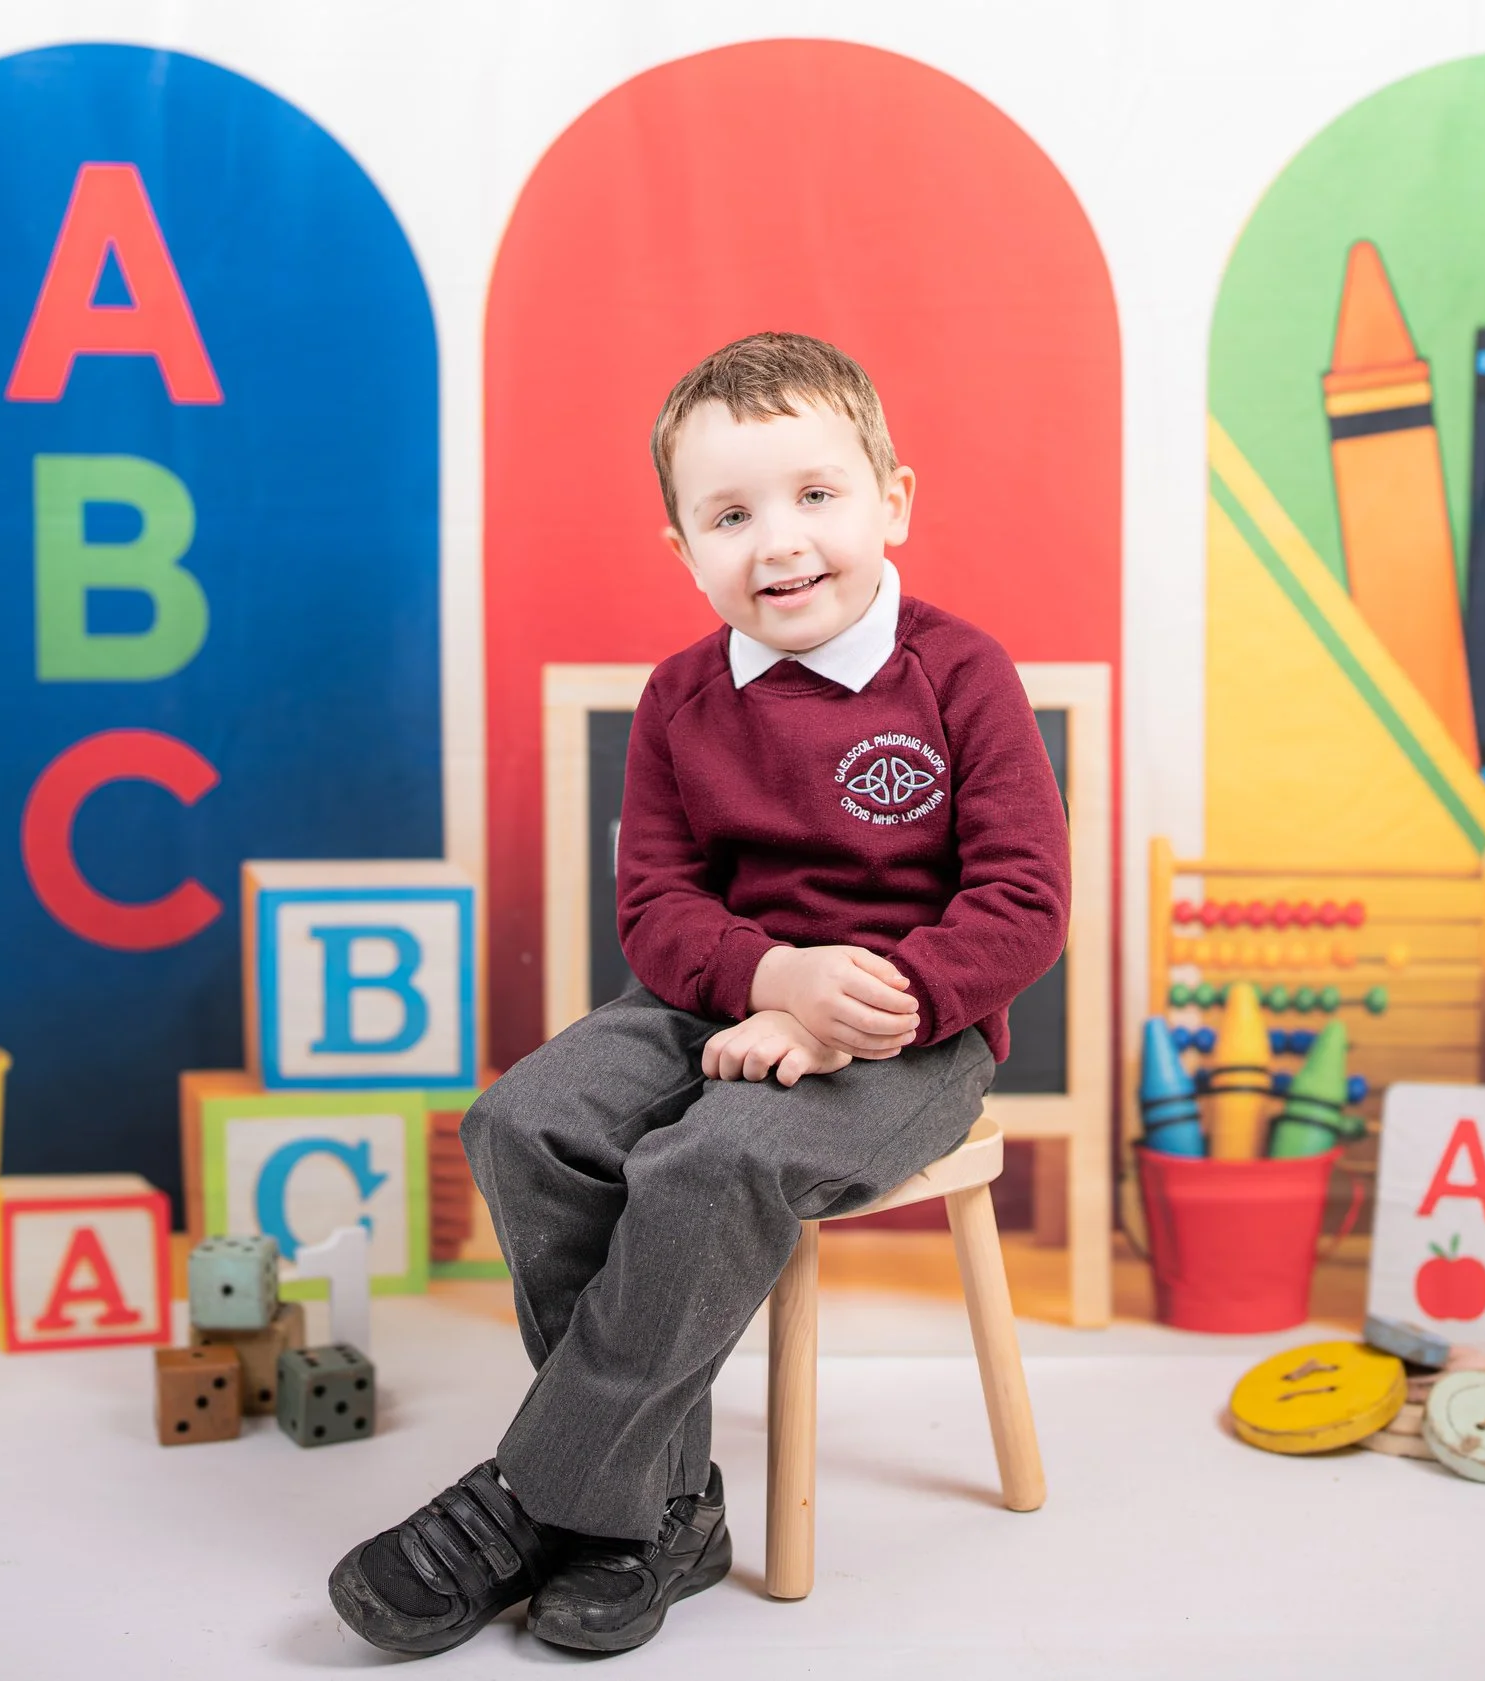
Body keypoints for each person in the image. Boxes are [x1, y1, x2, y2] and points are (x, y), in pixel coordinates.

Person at [329, 331, 1070, 1656]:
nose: (778, 544)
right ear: (681, 547)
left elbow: (1021, 904)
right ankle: (658, 1504)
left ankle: (538, 1493)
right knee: (522, 1123)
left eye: (816, 497)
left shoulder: (961, 676)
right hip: (712, 998)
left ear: (894, 498)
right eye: (731, 516)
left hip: (908, 1033)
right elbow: (660, 913)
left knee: (710, 1159)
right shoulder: (680, 698)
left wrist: (865, 998)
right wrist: (767, 979)